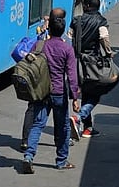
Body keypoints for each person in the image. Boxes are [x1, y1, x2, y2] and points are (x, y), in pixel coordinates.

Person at [22, 10, 81, 173]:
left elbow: (29, 63)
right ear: (63, 31)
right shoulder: (67, 49)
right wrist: (75, 97)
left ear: (50, 29)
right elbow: (72, 75)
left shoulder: (39, 45)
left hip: (42, 92)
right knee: (63, 127)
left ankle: (29, 156)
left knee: (37, 124)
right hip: (59, 92)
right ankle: (61, 160)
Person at [70, 0, 113, 138]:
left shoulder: (76, 20)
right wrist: (109, 53)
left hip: (77, 62)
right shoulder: (101, 21)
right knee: (95, 94)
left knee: (86, 93)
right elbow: (104, 39)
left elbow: (70, 37)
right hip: (93, 63)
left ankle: (87, 128)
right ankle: (79, 117)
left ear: (87, 6)